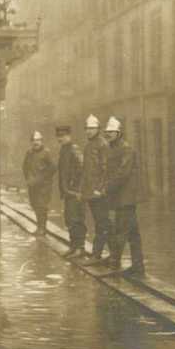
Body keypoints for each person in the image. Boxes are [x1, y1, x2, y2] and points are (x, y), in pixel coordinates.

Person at [103, 116, 146, 276]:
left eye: (112, 132)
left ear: (119, 133)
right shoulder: (112, 148)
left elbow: (123, 173)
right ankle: (138, 266)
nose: (109, 135)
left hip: (126, 198)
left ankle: (115, 264)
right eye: (107, 132)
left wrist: (107, 188)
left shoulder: (126, 149)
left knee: (121, 231)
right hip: (120, 198)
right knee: (133, 233)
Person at [78, 113, 111, 264]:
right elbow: (86, 171)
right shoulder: (88, 145)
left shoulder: (102, 145)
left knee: (102, 223)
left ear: (98, 129)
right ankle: (114, 255)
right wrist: (83, 191)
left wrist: (100, 189)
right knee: (102, 222)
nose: (89, 131)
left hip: (99, 192)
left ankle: (96, 255)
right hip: (90, 192)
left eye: (92, 129)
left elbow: (106, 169)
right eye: (87, 129)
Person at [56, 125, 87, 257]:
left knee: (76, 219)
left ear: (69, 136)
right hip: (68, 191)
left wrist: (77, 188)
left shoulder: (74, 149)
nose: (60, 138)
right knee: (69, 219)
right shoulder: (64, 150)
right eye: (58, 136)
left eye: (63, 136)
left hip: (75, 192)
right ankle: (73, 246)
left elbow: (82, 169)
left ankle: (80, 248)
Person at [22, 131, 56, 236]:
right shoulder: (29, 153)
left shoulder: (46, 153)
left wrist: (43, 179)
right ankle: (39, 227)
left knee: (42, 206)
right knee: (35, 205)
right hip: (33, 186)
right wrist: (28, 179)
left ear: (41, 141)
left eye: (38, 140)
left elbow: (53, 168)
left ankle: (42, 228)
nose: (35, 142)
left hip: (43, 186)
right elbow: (24, 166)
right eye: (33, 140)